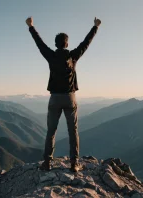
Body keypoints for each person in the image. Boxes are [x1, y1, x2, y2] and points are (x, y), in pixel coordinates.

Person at [26, 16, 101, 172]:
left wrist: (31, 26)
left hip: (54, 98)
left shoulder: (51, 56)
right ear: (67, 43)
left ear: (56, 44)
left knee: (51, 132)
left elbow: (39, 43)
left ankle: (47, 163)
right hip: (69, 97)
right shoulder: (73, 56)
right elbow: (86, 43)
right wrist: (95, 27)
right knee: (73, 131)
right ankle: (74, 164)